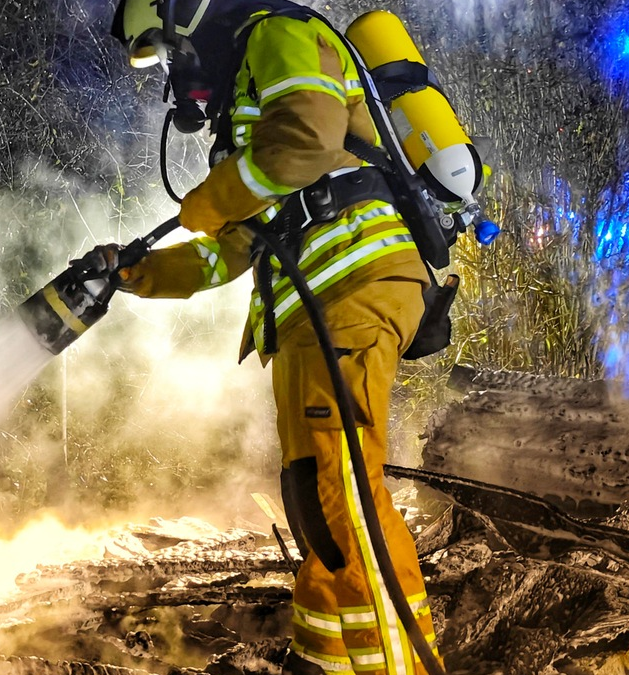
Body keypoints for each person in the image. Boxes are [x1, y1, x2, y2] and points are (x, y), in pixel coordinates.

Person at [102, 1, 442, 673]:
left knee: (346, 497)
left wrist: (218, 195)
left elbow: (311, 138)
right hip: (308, 313)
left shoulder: (279, 32)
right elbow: (231, 252)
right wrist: (140, 274)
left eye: (170, 49)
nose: (178, 71)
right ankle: (325, 660)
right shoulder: (243, 113)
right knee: (314, 499)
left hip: (353, 284)